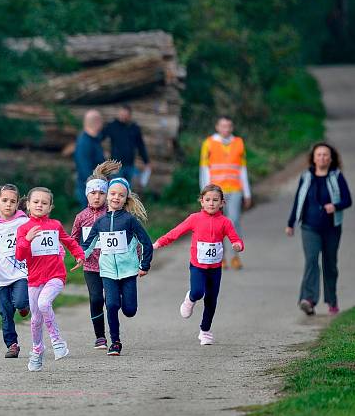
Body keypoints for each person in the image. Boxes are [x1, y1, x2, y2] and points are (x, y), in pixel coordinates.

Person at [154, 184, 244, 345]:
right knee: (197, 292)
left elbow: (235, 238)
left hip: (215, 268)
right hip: (198, 266)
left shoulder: (225, 222)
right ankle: (190, 299)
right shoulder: (194, 219)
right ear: (201, 202)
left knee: (211, 300)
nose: (211, 203)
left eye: (215, 200)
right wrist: (160, 242)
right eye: (208, 200)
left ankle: (205, 331)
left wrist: (238, 245)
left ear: (222, 203)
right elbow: (176, 232)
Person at [80, 178, 152, 356]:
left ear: (126, 199)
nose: (116, 197)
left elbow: (146, 243)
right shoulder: (100, 222)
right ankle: (115, 342)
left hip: (128, 271)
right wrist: (80, 257)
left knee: (129, 310)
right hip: (108, 272)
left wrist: (144, 265)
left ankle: (124, 301)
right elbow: (88, 244)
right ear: (107, 196)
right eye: (112, 193)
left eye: (121, 195)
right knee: (111, 305)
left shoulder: (130, 220)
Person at [15, 187, 84, 372]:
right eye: (36, 202)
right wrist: (26, 240)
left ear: (50, 207)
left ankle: (57, 341)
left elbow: (68, 241)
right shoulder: (23, 228)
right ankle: (37, 349)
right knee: (36, 319)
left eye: (44, 203)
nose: (39, 205)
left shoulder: (55, 225)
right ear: (28, 205)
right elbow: (20, 256)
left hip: (56, 276)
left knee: (44, 303)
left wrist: (79, 254)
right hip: (34, 279)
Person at [285, 142, 352, 316]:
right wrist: (291, 223)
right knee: (311, 260)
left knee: (330, 265)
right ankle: (308, 299)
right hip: (309, 227)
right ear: (313, 158)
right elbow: (299, 200)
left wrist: (335, 206)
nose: (322, 158)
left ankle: (332, 301)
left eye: (325, 155)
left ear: (331, 158)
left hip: (332, 228)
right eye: (319, 155)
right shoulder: (306, 176)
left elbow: (348, 200)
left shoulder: (336, 176)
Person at [71, 160, 122, 351]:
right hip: (91, 266)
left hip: (112, 265)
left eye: (102, 193)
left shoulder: (112, 214)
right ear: (87, 194)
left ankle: (115, 335)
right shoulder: (81, 217)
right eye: (93, 193)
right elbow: (72, 239)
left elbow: (126, 235)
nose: (97, 197)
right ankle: (100, 336)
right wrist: (78, 254)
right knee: (96, 299)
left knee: (112, 301)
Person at [0, 184, 31, 358]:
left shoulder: (24, 222)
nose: (8, 204)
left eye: (12, 201)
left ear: (17, 204)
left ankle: (24, 306)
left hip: (20, 273)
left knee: (19, 302)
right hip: (1, 277)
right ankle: (12, 345)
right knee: (6, 313)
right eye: (4, 201)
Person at [199, 116, 251, 269]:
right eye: (223, 126)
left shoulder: (239, 143)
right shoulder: (208, 143)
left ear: (232, 127)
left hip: (235, 189)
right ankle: (219, 258)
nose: (226, 129)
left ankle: (235, 256)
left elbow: (242, 170)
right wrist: (205, 194)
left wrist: (247, 193)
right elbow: (204, 169)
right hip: (215, 193)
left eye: (229, 126)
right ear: (217, 127)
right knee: (216, 226)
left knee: (234, 221)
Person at [101, 104, 151, 182]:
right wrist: (102, 153)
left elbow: (140, 146)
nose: (123, 117)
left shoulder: (134, 128)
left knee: (127, 189)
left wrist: (146, 161)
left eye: (125, 115)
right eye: (121, 114)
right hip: (116, 166)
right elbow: (99, 138)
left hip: (130, 165)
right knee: (116, 187)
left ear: (130, 116)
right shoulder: (112, 126)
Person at [74, 110, 105, 207]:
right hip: (89, 189)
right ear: (97, 122)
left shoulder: (95, 139)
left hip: (97, 187)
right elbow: (85, 169)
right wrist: (95, 189)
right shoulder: (84, 143)